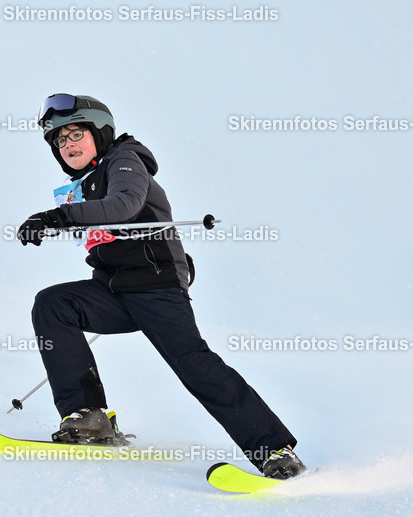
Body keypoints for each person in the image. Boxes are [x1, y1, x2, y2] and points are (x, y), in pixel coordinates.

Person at [16, 93, 306, 479]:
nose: (67, 145)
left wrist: (56, 217)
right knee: (54, 304)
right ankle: (89, 418)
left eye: (76, 134)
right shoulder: (84, 185)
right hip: (113, 292)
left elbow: (124, 205)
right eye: (59, 140)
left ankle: (274, 451)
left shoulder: (125, 161)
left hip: (156, 290)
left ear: (99, 132)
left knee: (194, 364)